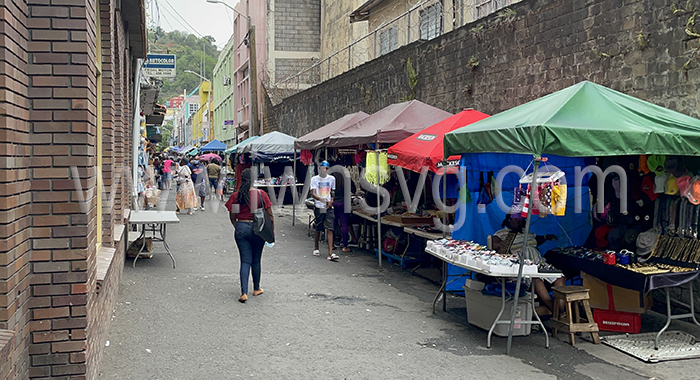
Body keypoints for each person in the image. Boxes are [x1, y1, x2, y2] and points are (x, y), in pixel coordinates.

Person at [492, 214, 565, 314]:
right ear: (509, 220)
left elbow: (537, 239)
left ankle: (560, 309)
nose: (518, 222)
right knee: (536, 280)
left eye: (521, 220)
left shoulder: (527, 233)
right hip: (523, 266)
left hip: (540, 263)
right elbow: (493, 246)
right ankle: (555, 311)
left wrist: (546, 237)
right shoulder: (501, 234)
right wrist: (502, 244)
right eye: (515, 220)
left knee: (559, 278)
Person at [226, 168, 274, 303]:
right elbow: (270, 215)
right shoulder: (260, 194)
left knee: (245, 261)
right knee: (256, 259)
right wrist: (272, 232)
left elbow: (233, 215)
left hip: (241, 227)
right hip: (258, 229)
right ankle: (257, 288)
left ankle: (243, 292)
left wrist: (238, 227)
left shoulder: (237, 196)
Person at [311, 161, 339, 261]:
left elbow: (333, 192)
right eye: (323, 168)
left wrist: (331, 201)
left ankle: (330, 253)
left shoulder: (332, 179)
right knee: (318, 227)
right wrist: (320, 199)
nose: (324, 170)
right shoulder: (314, 179)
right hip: (319, 206)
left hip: (329, 207)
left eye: (326, 168)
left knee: (330, 228)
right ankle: (316, 247)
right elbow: (313, 193)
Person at [332, 171, 358, 252]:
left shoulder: (332, 179)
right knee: (344, 225)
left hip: (334, 202)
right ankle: (345, 246)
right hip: (344, 203)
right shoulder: (347, 179)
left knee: (333, 224)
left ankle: (331, 244)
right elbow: (354, 189)